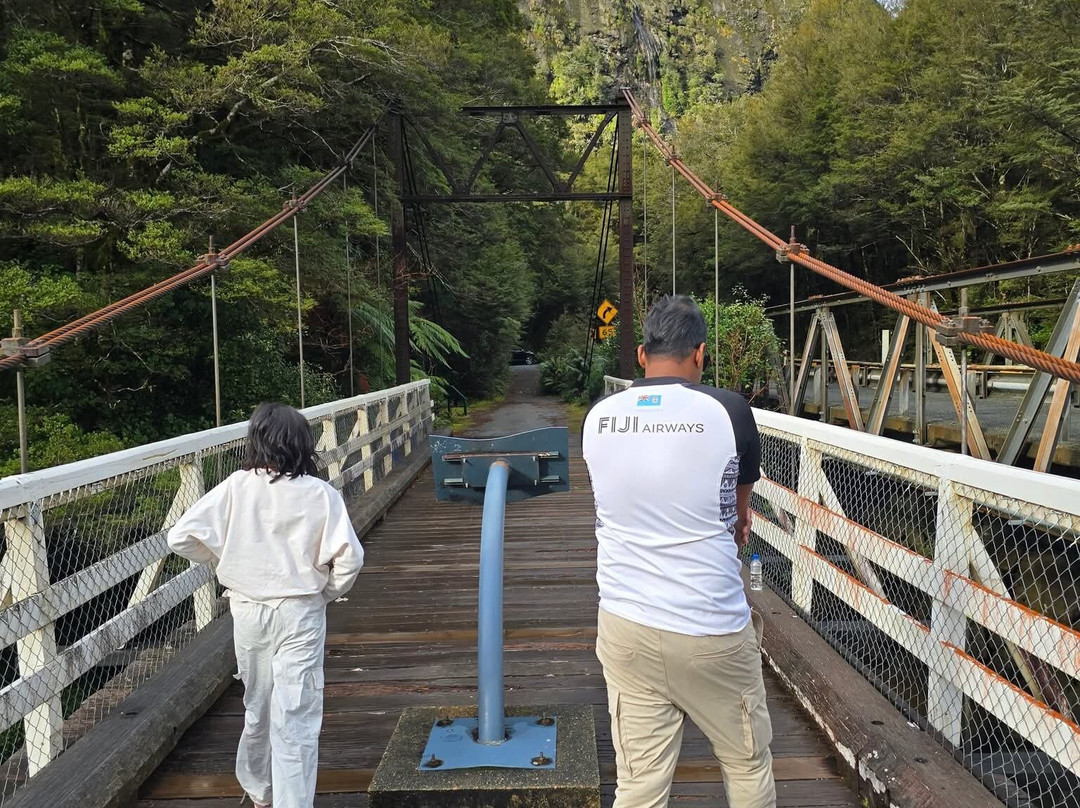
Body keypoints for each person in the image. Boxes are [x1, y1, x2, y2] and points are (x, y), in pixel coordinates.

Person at [582, 295, 775, 808]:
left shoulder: (599, 416)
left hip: (624, 626)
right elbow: (739, 519)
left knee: (638, 786)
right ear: (701, 354)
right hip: (710, 627)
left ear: (642, 356)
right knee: (747, 763)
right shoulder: (729, 410)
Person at [168, 403, 364, 808]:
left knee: (258, 702)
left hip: (249, 610)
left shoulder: (235, 488)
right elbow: (350, 557)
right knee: (296, 711)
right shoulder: (320, 494)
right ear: (303, 444)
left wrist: (226, 559)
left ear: (254, 441)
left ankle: (259, 790)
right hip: (300, 612)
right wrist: (326, 592)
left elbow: (180, 537)